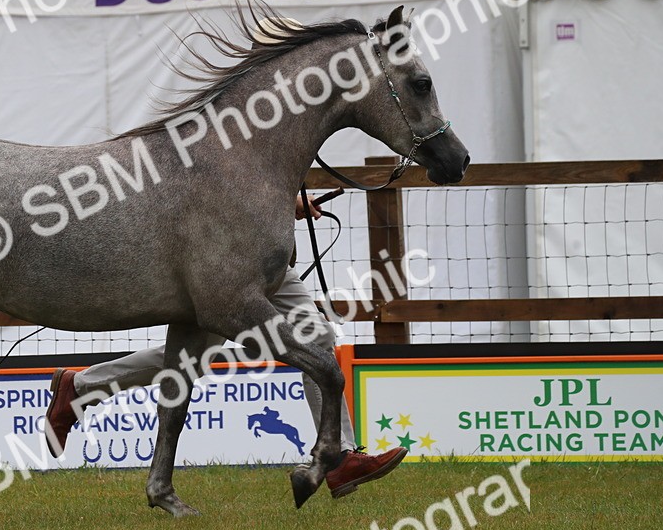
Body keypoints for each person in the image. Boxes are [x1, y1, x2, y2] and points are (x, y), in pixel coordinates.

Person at [45, 194, 406, 499]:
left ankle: (340, 457)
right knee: (190, 360)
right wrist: (287, 200)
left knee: (317, 339)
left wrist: (288, 201)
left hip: (272, 264)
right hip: (229, 266)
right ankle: (81, 387)